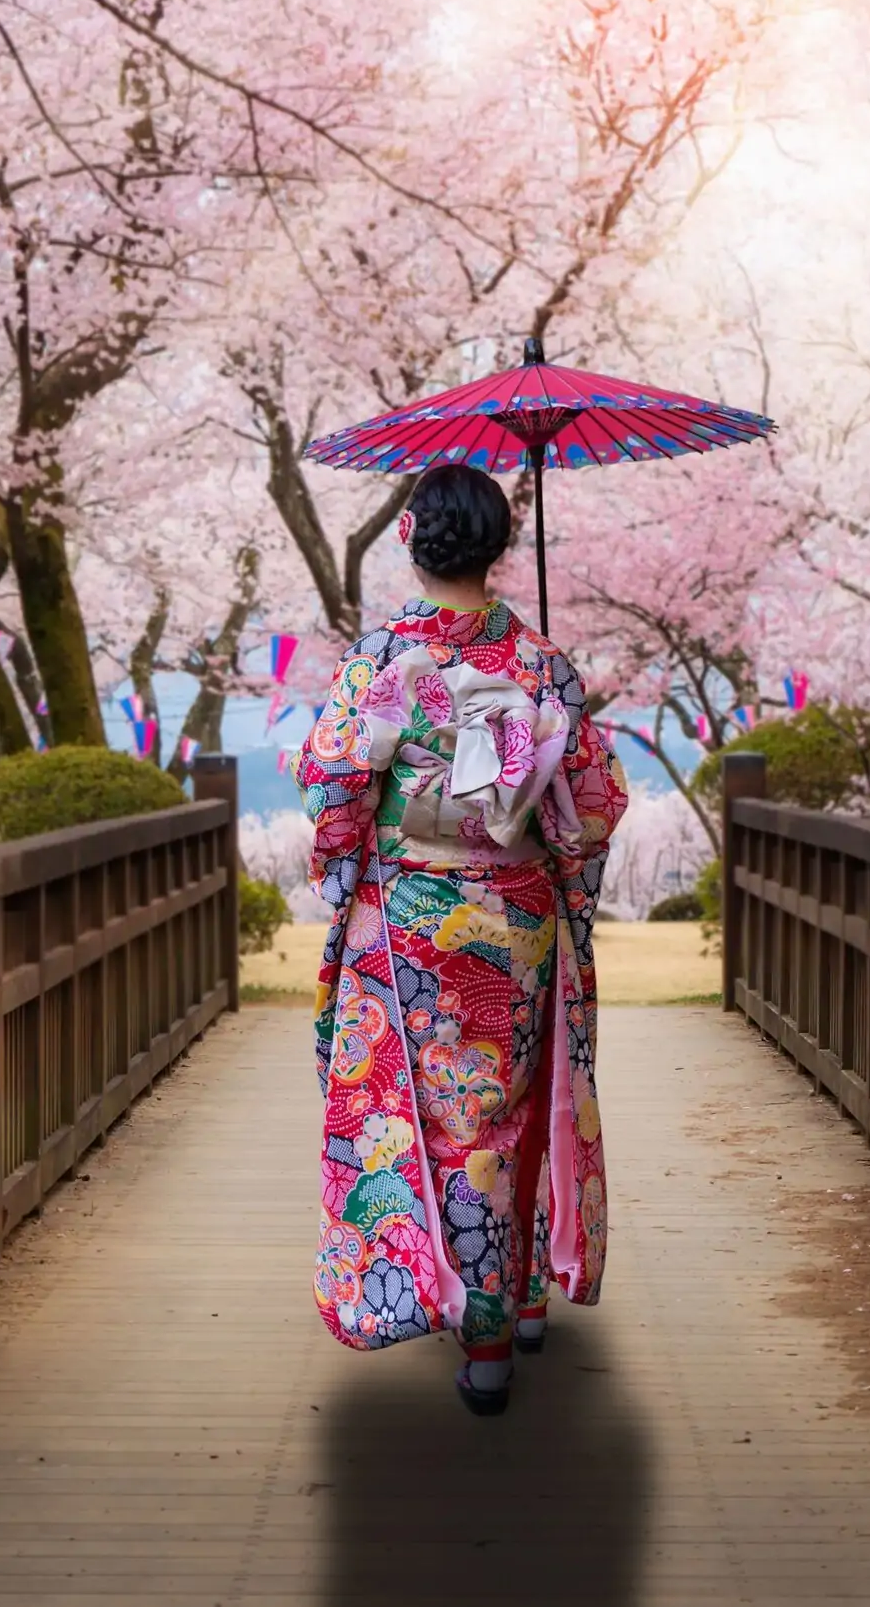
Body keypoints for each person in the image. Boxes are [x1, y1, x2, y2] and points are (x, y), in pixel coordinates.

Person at [298, 461, 629, 1415]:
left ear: (410, 535)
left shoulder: (380, 658)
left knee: (436, 1118)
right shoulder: (540, 665)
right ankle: (518, 1297)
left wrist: (347, 868)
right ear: (497, 546)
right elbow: (595, 805)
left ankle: (480, 1330)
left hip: (409, 918)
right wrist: (539, 838)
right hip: (517, 912)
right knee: (513, 1108)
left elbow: (331, 789)